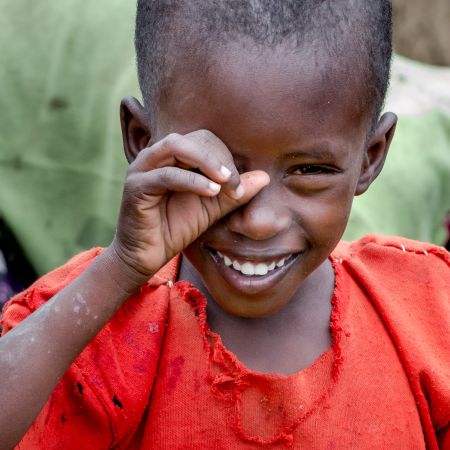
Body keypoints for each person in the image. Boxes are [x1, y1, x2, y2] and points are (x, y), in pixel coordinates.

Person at [0, 1, 449, 448]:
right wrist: (121, 268)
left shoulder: (425, 313)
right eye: (214, 168)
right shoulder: (101, 323)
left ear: (370, 158)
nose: (257, 222)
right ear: (142, 140)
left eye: (310, 171)